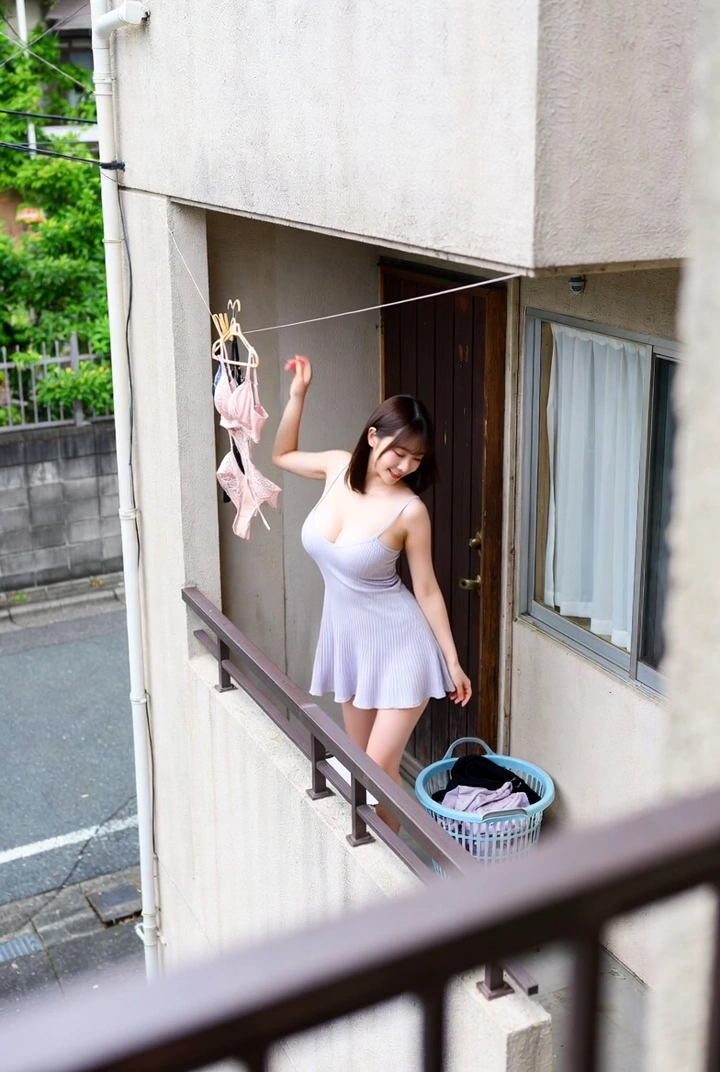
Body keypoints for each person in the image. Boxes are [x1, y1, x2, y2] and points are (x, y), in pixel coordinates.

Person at [272, 355, 472, 832]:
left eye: (417, 458)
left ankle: (417, 857)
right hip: (352, 646)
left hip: (402, 646)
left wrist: (452, 661)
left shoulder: (409, 510)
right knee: (361, 770)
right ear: (372, 437)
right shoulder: (337, 468)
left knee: (377, 770)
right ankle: (385, 854)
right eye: (399, 452)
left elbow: (427, 589)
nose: (405, 465)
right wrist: (298, 394)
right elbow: (281, 455)